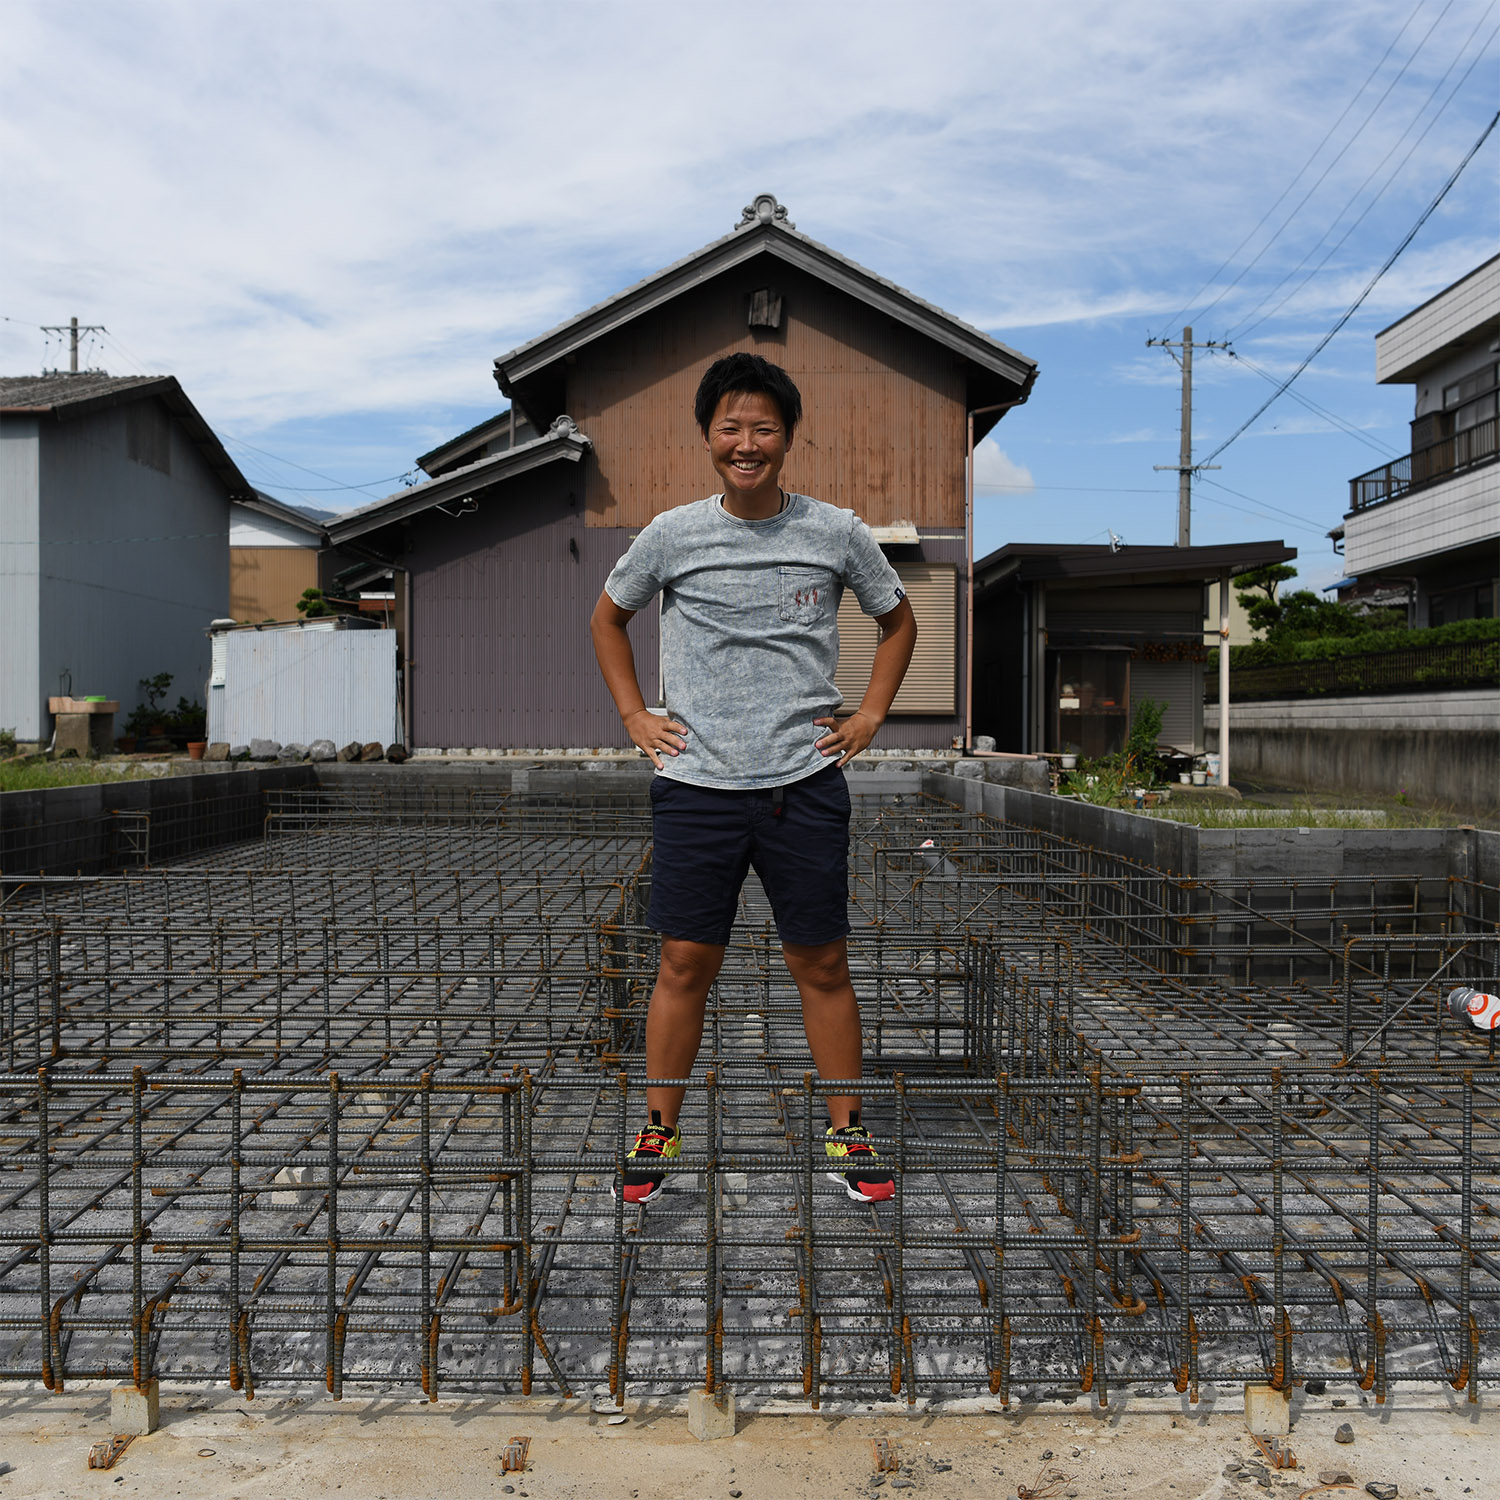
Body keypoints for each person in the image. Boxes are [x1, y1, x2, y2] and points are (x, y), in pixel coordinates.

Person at [589, 352, 918, 1206]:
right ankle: (658, 1128)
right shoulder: (670, 534)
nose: (747, 442)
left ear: (788, 437)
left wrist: (871, 715)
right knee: (683, 961)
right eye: (731, 427)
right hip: (697, 784)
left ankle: (847, 1130)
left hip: (803, 780)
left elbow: (898, 619)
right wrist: (635, 716)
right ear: (707, 436)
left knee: (822, 960)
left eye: (763, 427)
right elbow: (608, 619)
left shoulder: (835, 531)